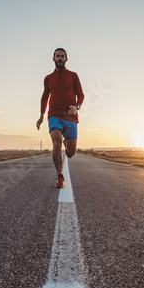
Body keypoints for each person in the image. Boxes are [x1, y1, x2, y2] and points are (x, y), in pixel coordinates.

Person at [36, 48, 84, 188]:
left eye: (62, 56)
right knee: (56, 143)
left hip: (70, 117)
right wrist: (41, 116)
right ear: (53, 59)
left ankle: (66, 143)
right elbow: (45, 97)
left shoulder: (73, 76)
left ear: (66, 59)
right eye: (57, 56)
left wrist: (76, 107)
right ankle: (60, 176)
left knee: (70, 153)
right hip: (54, 116)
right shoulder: (48, 78)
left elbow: (81, 95)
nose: (60, 58)